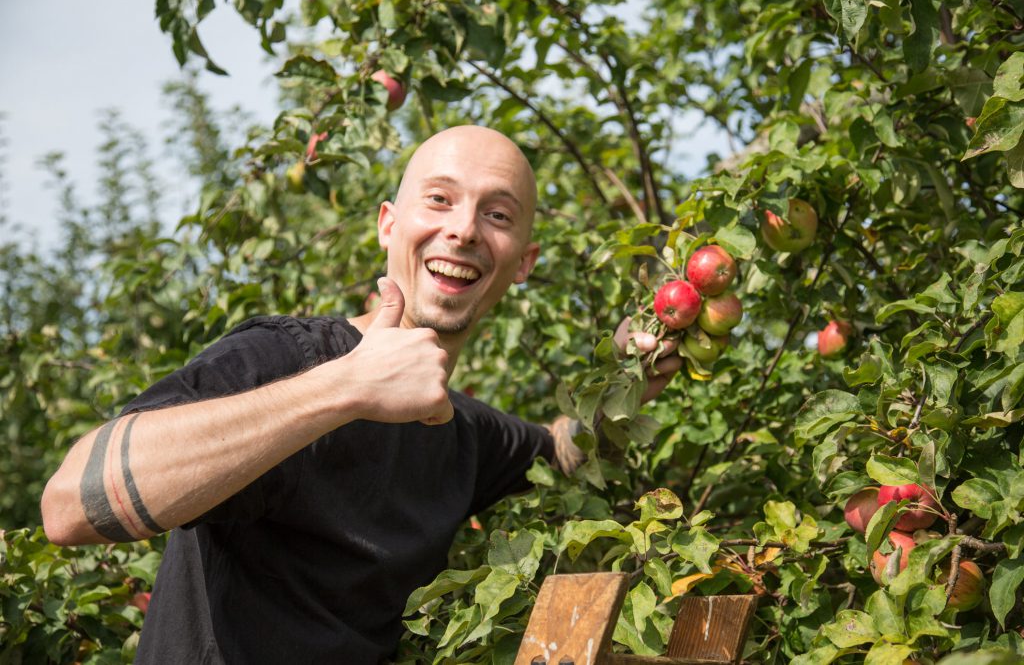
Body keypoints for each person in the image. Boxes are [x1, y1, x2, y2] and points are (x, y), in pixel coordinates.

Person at [41, 125, 680, 663]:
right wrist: (347, 386)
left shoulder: (462, 435)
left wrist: (628, 379)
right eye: (439, 200)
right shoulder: (280, 358)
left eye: (498, 214)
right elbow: (72, 505)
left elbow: (561, 449)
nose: (463, 230)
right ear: (387, 225)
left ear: (525, 262)